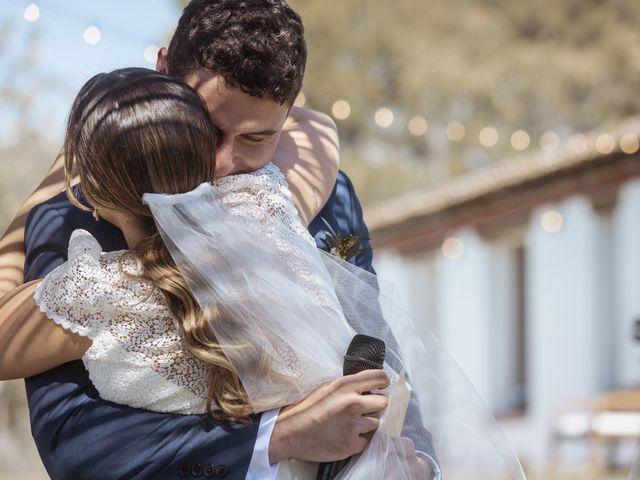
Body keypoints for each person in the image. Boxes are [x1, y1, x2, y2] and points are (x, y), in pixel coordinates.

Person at [0, 1, 440, 478]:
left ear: (289, 114)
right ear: (163, 70)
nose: (223, 164)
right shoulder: (73, 216)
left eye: (256, 139)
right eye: (207, 128)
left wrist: (413, 464)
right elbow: (75, 438)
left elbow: (376, 344)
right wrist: (277, 437)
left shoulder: (321, 194)